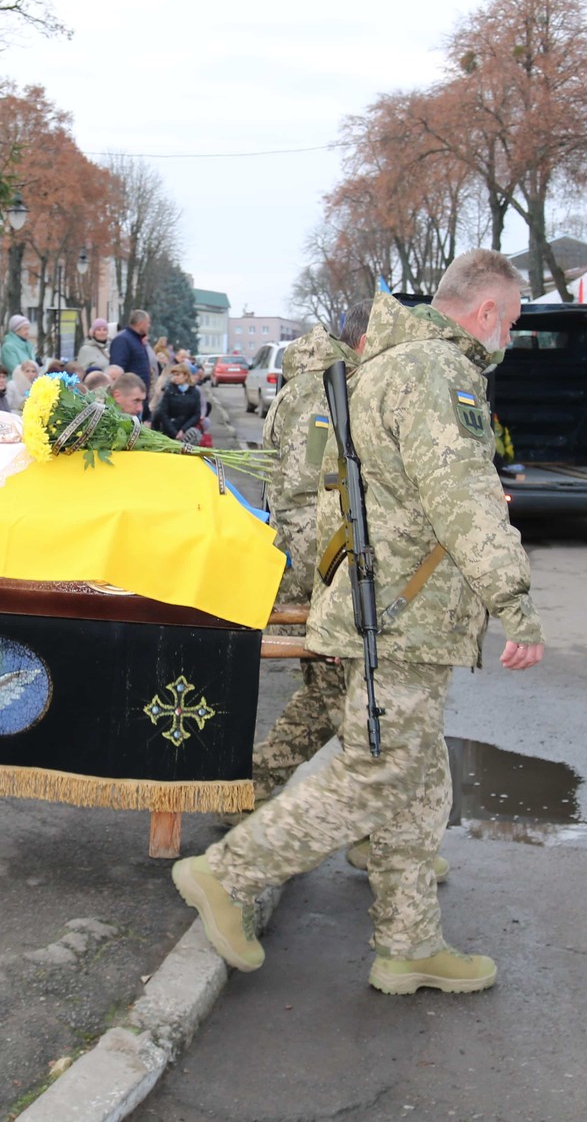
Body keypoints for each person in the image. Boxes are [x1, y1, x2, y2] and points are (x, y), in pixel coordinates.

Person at [174, 248, 543, 996]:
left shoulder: (395, 366)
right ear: (488, 313)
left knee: (414, 782)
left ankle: (409, 943)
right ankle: (226, 872)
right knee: (377, 772)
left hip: (392, 605)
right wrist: (517, 603)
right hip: (402, 613)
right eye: (513, 318)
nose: (510, 334)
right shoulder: (438, 374)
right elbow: (463, 497)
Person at [249, 313, 363, 816]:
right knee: (344, 698)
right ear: (364, 338)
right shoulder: (324, 387)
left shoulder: (322, 378)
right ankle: (376, 829)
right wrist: (335, 581)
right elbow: (305, 492)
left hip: (318, 558)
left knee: (333, 698)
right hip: (319, 562)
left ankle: (247, 788)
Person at [152, 362, 205, 442]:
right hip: (169, 429)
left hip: (187, 430)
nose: (175, 377)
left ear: (186, 376)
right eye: (174, 375)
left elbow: (196, 414)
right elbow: (163, 412)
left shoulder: (194, 392)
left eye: (178, 375)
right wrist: (174, 432)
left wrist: (183, 430)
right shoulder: (169, 391)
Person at [110, 311, 155, 400]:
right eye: (148, 323)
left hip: (140, 394)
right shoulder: (122, 340)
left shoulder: (137, 340)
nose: (149, 326)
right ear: (141, 323)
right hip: (129, 396)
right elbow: (117, 369)